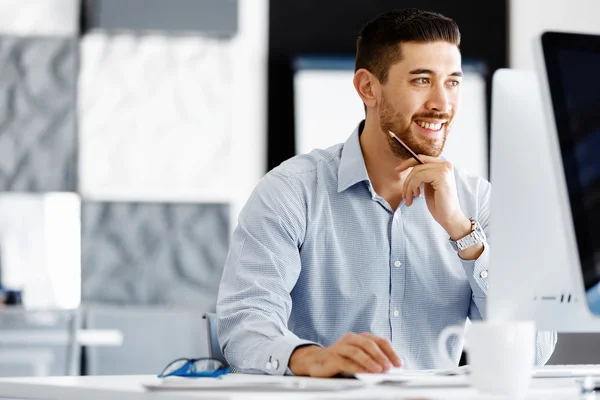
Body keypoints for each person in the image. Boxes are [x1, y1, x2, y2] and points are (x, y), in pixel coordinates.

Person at [216, 8, 556, 377]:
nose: (442, 104)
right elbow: (243, 325)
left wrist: (464, 234)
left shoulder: (477, 201)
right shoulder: (290, 192)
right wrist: (312, 358)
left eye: (453, 82)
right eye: (422, 80)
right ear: (368, 87)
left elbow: (534, 352)